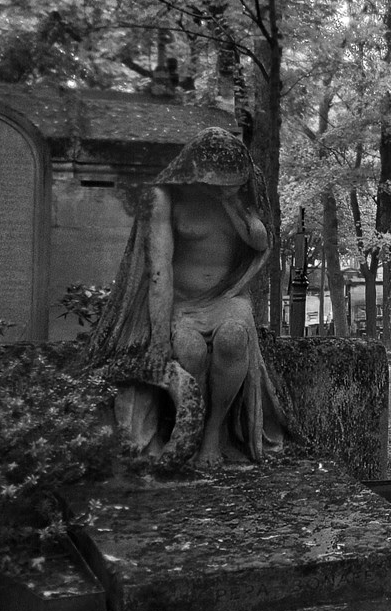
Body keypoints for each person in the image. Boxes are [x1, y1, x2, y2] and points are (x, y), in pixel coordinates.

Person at [84, 129, 293, 468]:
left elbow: (259, 241)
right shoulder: (165, 197)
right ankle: (190, 431)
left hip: (227, 297)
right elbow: (159, 269)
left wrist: (231, 202)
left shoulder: (242, 193)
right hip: (181, 303)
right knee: (190, 351)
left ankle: (212, 433)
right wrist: (157, 335)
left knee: (234, 339)